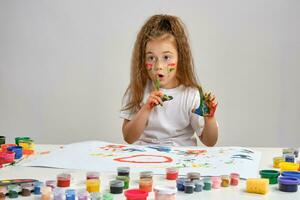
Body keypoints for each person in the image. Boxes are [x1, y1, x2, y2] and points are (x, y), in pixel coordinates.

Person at [120, 14, 218, 146]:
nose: (158, 66)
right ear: (143, 59)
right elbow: (128, 137)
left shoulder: (191, 94)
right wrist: (146, 108)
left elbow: (210, 141)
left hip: (182, 161)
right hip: (147, 159)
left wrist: (209, 118)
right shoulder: (138, 89)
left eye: (166, 57)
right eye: (151, 58)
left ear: (180, 58)